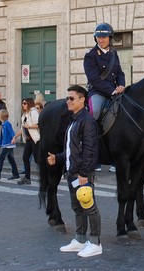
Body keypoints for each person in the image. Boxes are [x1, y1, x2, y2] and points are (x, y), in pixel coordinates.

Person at [47, 85, 102, 258]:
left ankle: (95, 243)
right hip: (72, 171)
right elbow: (72, 150)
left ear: (82, 100)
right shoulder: (74, 120)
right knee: (77, 207)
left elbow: (90, 150)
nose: (68, 101)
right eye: (67, 98)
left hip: (81, 174)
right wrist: (58, 157)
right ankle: (79, 239)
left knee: (89, 206)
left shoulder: (87, 121)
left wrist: (84, 174)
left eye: (71, 98)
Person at [84, 22, 125, 121]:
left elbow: (119, 73)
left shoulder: (114, 53)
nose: (100, 40)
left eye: (104, 37)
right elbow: (94, 79)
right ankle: (92, 136)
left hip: (115, 92)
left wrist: (121, 86)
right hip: (97, 92)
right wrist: (112, 91)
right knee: (96, 111)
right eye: (98, 37)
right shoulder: (91, 55)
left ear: (110, 38)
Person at [0, 109, 20, 181]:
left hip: (8, 145)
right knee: (11, 160)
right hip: (7, 145)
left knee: (0, 159)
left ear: (1, 116)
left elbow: (12, 132)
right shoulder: (3, 124)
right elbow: (2, 136)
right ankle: (16, 174)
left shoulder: (7, 124)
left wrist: (14, 138)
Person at [17, 97, 40, 185]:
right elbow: (22, 127)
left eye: (25, 103)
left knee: (38, 160)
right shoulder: (24, 115)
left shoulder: (33, 112)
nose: (23, 105)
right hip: (28, 140)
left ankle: (45, 176)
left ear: (29, 104)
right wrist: (15, 137)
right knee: (25, 157)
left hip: (35, 139)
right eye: (23, 103)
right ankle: (27, 178)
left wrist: (29, 127)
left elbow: (39, 124)